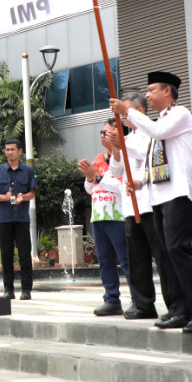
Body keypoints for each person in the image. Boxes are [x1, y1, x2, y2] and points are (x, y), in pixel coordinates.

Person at [109, 71, 192, 334]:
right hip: (160, 195)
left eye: (152, 89)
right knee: (167, 254)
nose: (147, 94)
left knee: (178, 249)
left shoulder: (179, 114)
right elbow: (151, 159)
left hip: (178, 193)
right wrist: (140, 182)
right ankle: (180, 308)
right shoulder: (159, 121)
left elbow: (157, 131)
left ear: (168, 91)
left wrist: (128, 112)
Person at [107, 94, 182, 321]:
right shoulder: (127, 137)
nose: (123, 117)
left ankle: (174, 303)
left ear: (139, 111)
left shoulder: (152, 132)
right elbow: (118, 170)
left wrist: (123, 146)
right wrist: (117, 148)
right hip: (131, 205)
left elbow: (146, 158)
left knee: (161, 256)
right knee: (137, 258)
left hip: (150, 204)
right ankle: (143, 304)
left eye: (126, 111)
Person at [78, 125, 132, 316]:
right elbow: (90, 189)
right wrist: (90, 178)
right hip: (99, 216)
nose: (102, 135)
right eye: (101, 132)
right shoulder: (99, 158)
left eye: (107, 132)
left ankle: (138, 298)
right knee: (105, 260)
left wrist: (97, 177)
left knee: (126, 260)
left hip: (118, 215)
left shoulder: (126, 156)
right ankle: (111, 299)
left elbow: (123, 186)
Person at [0, 138, 37, 300]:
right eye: (7, 149)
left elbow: (32, 193)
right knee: (6, 256)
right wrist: (4, 197)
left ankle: (26, 290)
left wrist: (23, 197)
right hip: (5, 219)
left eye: (13, 149)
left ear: (20, 151)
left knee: (24, 255)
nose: (10, 152)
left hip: (22, 219)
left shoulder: (28, 171)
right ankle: (8, 290)